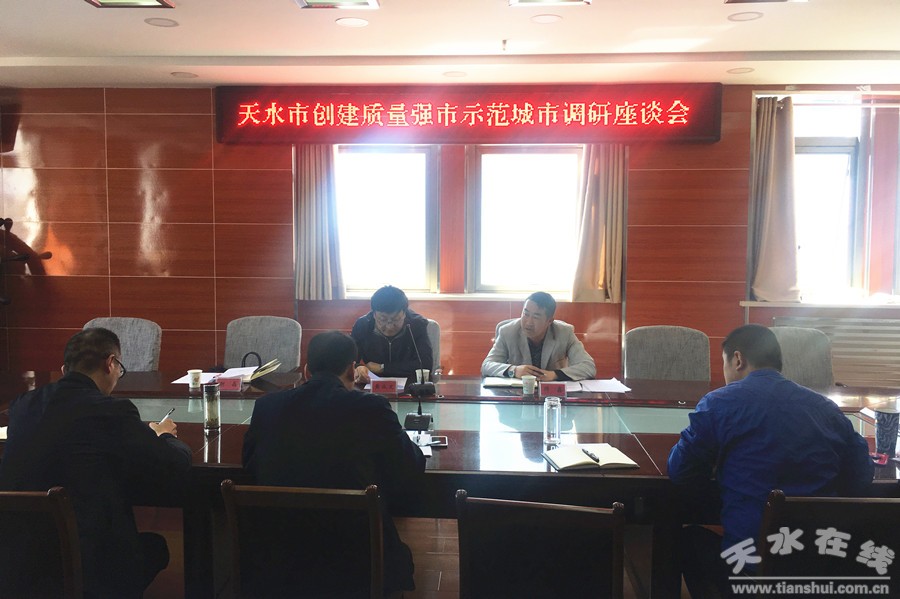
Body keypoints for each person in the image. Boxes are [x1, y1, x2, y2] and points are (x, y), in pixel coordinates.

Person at [667, 324, 874, 598]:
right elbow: (861, 477)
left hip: (751, 571)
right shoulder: (825, 408)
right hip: (823, 565)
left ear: (737, 359)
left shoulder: (720, 402)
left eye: (724, 364)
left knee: (686, 539)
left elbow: (680, 471)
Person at [0, 328, 192, 598]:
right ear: (111, 363)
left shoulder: (23, 405)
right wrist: (163, 436)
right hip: (90, 565)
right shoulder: (111, 410)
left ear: (65, 369)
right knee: (155, 547)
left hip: (19, 563)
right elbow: (174, 464)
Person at [243, 330, 426, 596]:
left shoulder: (266, 406)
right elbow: (410, 466)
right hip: (358, 560)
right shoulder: (372, 408)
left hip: (279, 556)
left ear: (306, 371)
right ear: (352, 370)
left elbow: (250, 466)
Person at [481, 291, 596, 381]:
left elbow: (588, 366)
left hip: (552, 396)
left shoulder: (564, 333)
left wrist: (554, 375)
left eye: (536, 317)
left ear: (549, 321)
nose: (528, 322)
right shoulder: (508, 332)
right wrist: (514, 371)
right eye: (526, 314)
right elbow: (487, 365)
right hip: (517, 394)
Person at [351, 285, 434, 383]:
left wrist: (383, 368)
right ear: (374, 314)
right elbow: (348, 361)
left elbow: (425, 364)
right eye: (383, 319)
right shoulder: (363, 326)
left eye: (396, 319)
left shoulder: (417, 325)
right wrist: (359, 368)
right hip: (372, 384)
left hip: (411, 385)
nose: (389, 326)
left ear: (404, 313)